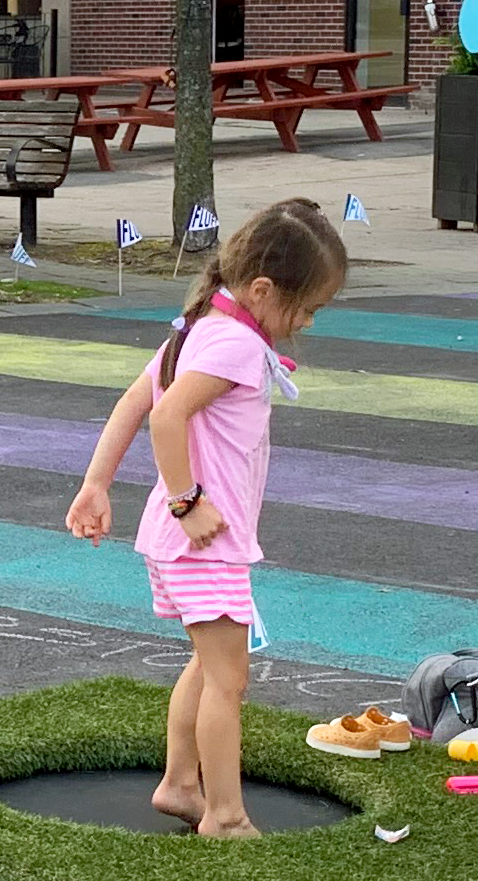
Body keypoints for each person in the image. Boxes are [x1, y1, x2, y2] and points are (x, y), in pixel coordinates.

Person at [64, 199, 351, 837]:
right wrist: (187, 502)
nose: (306, 321)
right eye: (307, 307)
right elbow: (165, 418)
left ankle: (181, 783)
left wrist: (95, 485)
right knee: (230, 679)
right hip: (202, 541)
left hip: (184, 542)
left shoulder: (194, 329)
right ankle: (224, 815)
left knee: (206, 664)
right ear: (261, 289)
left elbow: (134, 403)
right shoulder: (235, 346)